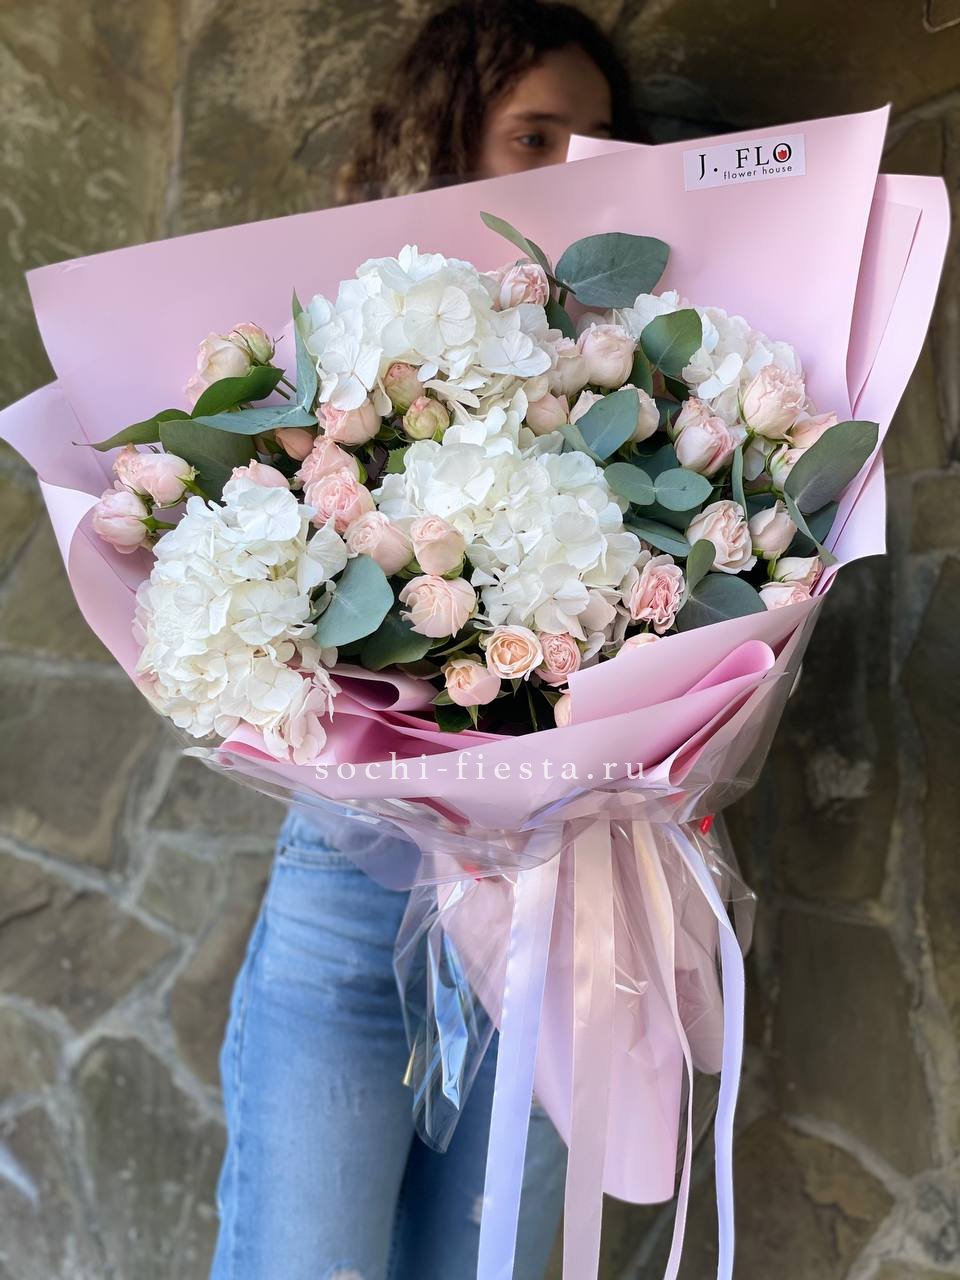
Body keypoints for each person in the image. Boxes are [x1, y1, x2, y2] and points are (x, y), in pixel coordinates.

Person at [211, 5, 636, 1278]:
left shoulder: (645, 382)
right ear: (448, 143)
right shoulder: (341, 361)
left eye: (602, 140)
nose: (574, 168)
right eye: (536, 135)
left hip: (560, 912)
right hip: (356, 898)